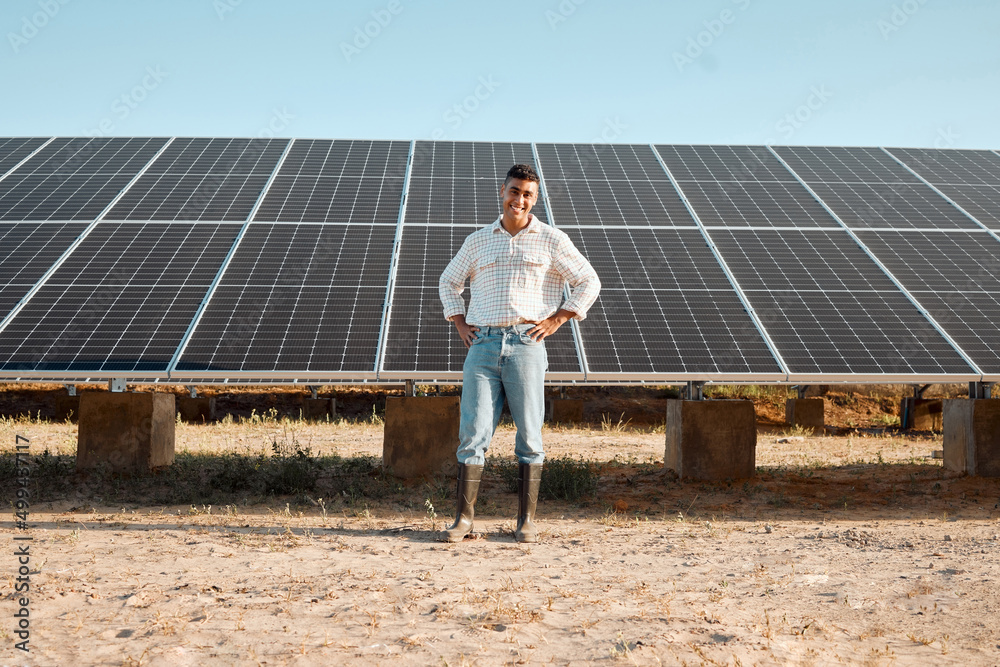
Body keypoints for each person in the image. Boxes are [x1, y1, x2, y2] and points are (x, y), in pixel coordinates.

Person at [438, 163, 600, 543]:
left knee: (529, 433)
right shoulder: (478, 240)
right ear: (503, 191)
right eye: (514, 191)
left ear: (535, 198)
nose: (520, 200)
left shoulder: (552, 240)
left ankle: (525, 521)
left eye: (527, 194)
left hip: (527, 344)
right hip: (482, 345)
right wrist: (460, 323)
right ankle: (464, 519)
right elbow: (449, 281)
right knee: (473, 432)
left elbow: (587, 281)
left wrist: (559, 318)